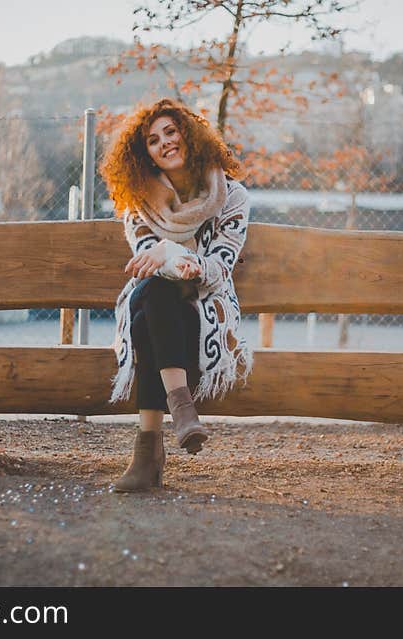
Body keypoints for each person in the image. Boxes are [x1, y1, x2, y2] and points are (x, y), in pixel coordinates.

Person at [100, 97, 254, 493]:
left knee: (150, 315)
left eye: (171, 131)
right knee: (154, 294)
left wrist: (175, 255)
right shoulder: (138, 203)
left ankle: (147, 453)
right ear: (145, 154)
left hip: (202, 309)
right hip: (155, 299)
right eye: (153, 140)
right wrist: (173, 258)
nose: (165, 142)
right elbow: (146, 263)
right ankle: (183, 410)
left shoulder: (232, 196)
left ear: (188, 134)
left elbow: (220, 266)